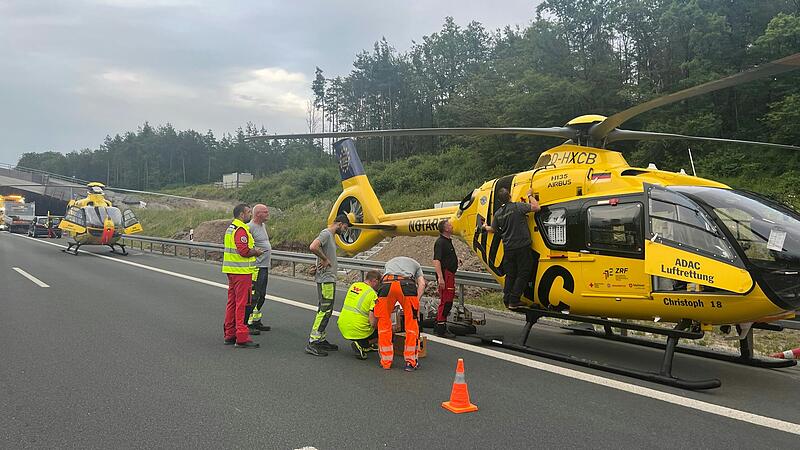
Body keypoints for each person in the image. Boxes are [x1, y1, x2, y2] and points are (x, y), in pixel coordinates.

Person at [482, 188, 540, 309]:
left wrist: (485, 227)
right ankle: (514, 300)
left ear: (500, 200)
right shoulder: (518, 207)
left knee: (510, 275)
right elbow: (536, 207)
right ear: (510, 196)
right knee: (524, 272)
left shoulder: (498, 214)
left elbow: (492, 229)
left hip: (508, 248)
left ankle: (507, 299)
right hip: (522, 246)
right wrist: (530, 195)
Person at [305, 214, 352, 357]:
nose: (345, 230)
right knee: (325, 309)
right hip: (326, 279)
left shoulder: (330, 236)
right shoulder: (326, 233)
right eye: (345, 227)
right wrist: (325, 259)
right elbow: (313, 247)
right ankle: (313, 341)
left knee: (326, 309)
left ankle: (320, 339)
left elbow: (319, 250)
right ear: (339, 223)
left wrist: (319, 262)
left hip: (327, 278)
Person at [222, 203, 264, 349]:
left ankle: (230, 334)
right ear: (241, 214)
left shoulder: (231, 228)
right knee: (242, 304)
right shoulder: (240, 229)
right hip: (241, 272)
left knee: (232, 303)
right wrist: (256, 252)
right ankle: (241, 336)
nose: (250, 215)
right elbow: (243, 251)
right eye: (248, 212)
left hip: (232, 270)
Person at [374, 256, 426, 372]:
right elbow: (422, 284)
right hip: (406, 285)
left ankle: (386, 362)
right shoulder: (416, 264)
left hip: (386, 285)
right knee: (411, 325)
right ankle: (410, 362)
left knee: (384, 323)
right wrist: (415, 303)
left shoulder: (389, 263)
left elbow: (384, 280)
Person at [337, 270, 382, 360]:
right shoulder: (372, 295)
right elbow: (372, 323)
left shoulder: (354, 286)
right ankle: (362, 344)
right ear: (375, 281)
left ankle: (367, 345)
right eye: (380, 283)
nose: (380, 286)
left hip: (343, 325)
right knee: (384, 330)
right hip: (358, 329)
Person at [246, 204, 272, 333]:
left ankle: (256, 320)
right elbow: (246, 247)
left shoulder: (263, 226)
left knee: (262, 295)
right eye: (265, 212)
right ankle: (247, 323)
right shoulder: (249, 227)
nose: (268, 214)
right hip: (256, 268)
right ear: (257, 214)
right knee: (253, 296)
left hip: (264, 266)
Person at [433, 219, 458, 338]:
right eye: (450, 225)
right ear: (446, 229)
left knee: (448, 300)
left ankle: (439, 324)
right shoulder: (440, 242)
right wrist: (440, 278)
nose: (452, 226)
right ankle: (441, 328)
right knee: (446, 301)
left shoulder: (447, 241)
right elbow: (436, 260)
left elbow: (445, 257)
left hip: (449, 274)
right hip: (446, 275)